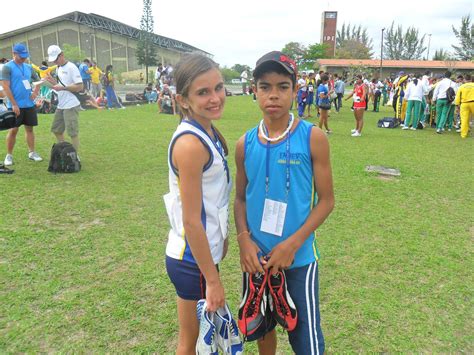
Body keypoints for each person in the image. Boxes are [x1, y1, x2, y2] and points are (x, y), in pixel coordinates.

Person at [234, 51, 334, 354]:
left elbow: (327, 201)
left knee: (305, 339)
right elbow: (239, 198)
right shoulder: (245, 143)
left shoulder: (312, 137)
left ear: (295, 89)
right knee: (262, 329)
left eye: (282, 86)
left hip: (298, 259)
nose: (273, 95)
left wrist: (292, 245)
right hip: (257, 259)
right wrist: (243, 241)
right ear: (255, 91)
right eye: (265, 87)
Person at [164, 53, 233, 354]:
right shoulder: (191, 144)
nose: (215, 98)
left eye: (218, 88)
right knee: (189, 343)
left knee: (196, 341)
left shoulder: (207, 130)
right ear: (183, 100)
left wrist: (223, 237)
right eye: (203, 92)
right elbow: (192, 220)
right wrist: (213, 280)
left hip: (198, 256)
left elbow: (211, 200)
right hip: (191, 260)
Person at [2, 43, 42, 166]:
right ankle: (9, 155)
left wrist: (35, 92)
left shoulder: (29, 67)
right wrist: (14, 104)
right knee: (13, 130)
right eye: (21, 56)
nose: (23, 58)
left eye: (25, 56)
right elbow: (5, 86)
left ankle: (32, 152)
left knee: (30, 129)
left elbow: (38, 81)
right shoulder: (7, 67)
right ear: (14, 54)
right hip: (15, 105)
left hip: (29, 104)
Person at [45, 45, 83, 156]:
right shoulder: (58, 68)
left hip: (71, 104)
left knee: (72, 132)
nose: (54, 62)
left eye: (56, 59)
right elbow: (60, 84)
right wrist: (51, 81)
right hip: (61, 104)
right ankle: (65, 150)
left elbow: (80, 86)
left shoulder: (71, 67)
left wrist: (63, 88)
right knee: (56, 129)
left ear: (62, 55)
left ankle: (74, 157)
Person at [454, 73, 473, 138]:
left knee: (464, 119)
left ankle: (463, 134)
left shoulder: (462, 86)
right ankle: (467, 130)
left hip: (464, 104)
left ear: (464, 80)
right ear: (471, 79)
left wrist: (457, 106)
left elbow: (457, 97)